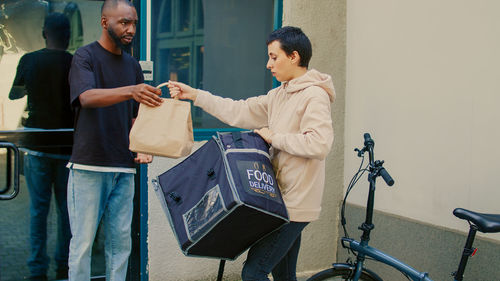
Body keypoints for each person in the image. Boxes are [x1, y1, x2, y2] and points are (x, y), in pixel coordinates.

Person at [168, 26, 335, 281]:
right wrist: (195, 95)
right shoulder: (279, 94)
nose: (269, 64)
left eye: (273, 56)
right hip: (280, 200)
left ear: (294, 57)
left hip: (296, 204)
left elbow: (319, 143)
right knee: (285, 276)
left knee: (253, 272)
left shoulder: (314, 96)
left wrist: (273, 137)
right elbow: (239, 111)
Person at [66, 0, 162, 280]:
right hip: (89, 167)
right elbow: (86, 97)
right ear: (105, 22)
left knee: (120, 245)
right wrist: (132, 90)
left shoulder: (132, 64)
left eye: (133, 23)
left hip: (123, 167)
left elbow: (135, 118)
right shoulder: (84, 56)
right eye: (124, 22)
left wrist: (144, 146)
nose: (131, 29)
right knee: (82, 245)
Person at [9, 12, 73, 281]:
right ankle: (63, 266)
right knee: (66, 212)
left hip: (36, 146)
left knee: (38, 211)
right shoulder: (75, 62)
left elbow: (15, 93)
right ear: (68, 35)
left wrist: (33, 88)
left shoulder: (29, 60)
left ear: (44, 32)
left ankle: (37, 270)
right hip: (68, 146)